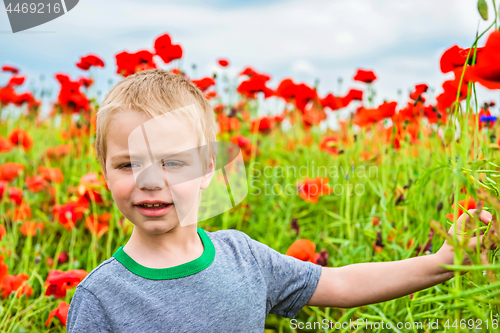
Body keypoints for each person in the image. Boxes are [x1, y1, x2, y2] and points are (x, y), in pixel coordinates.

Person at [66, 69, 497, 332]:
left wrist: (444, 261)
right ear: (103, 170)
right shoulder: (101, 297)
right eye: (127, 165)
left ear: (208, 169)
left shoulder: (243, 258)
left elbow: (342, 285)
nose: (149, 181)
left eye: (173, 163)